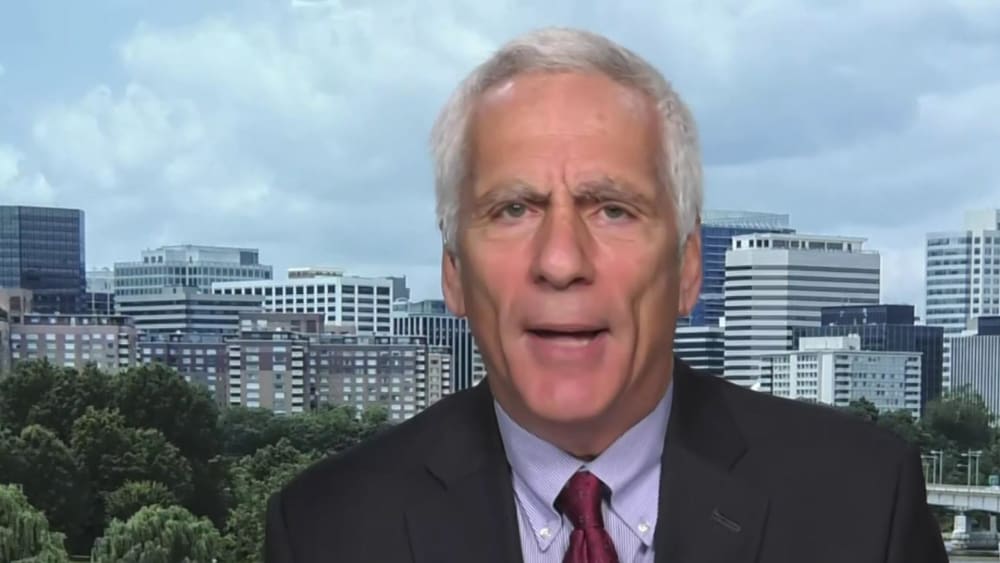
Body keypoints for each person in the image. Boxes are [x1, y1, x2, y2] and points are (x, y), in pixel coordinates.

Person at [265, 27, 948, 563]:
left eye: (613, 209)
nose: (561, 262)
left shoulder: (864, 505)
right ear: (453, 272)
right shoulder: (327, 530)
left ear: (688, 268)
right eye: (513, 209)